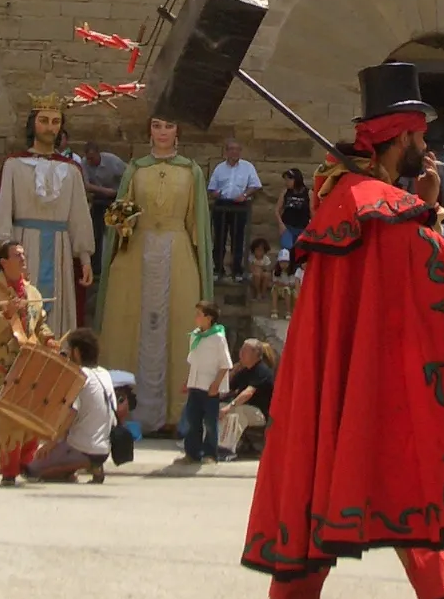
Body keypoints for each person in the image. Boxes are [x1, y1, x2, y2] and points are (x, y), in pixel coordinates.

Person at [243, 63, 444, 599]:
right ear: (400, 137)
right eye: (420, 136)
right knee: (375, 452)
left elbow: (407, 242)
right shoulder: (368, 200)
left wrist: (421, 202)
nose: (427, 145)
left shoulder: (362, 196)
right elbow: (424, 259)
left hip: (367, 357)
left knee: (376, 456)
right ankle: (327, 592)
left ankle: (416, 589)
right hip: (360, 358)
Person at [97, 113, 213, 431]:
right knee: (128, 324)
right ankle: (124, 411)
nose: (162, 132)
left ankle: (179, 415)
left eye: (169, 126)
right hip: (138, 253)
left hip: (177, 251)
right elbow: (123, 211)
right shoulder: (136, 169)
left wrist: (201, 264)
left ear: (178, 131)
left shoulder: (192, 171)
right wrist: (122, 224)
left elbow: (197, 225)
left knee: (179, 325)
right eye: (157, 126)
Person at [0, 94, 95, 338]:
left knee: (56, 313)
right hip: (23, 245)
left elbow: (79, 215)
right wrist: (4, 253)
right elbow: (4, 209)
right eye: (44, 120)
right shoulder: (14, 165)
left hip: (59, 249)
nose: (50, 127)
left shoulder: (71, 170)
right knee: (22, 305)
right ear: (33, 124)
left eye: (56, 122)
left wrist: (85, 257)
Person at [0, 240, 52, 484]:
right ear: (4, 262)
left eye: (23, 254)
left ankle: (27, 463)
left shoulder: (33, 293)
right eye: (17, 255)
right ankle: (9, 471)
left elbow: (40, 324)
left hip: (31, 361)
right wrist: (7, 316)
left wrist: (49, 339)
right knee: (10, 421)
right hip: (6, 365)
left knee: (31, 418)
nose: (23, 259)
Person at [27, 328, 116, 484]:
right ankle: (88, 466)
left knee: (32, 470)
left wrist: (50, 444)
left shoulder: (80, 376)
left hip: (82, 447)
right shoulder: (104, 374)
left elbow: (69, 416)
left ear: (76, 352)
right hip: (104, 448)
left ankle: (76, 466)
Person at [180, 301, 232, 464]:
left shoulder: (218, 338)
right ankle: (192, 452)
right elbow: (193, 360)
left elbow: (225, 364)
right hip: (195, 384)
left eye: (199, 314)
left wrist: (216, 385)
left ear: (209, 318)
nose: (196, 318)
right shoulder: (195, 335)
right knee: (192, 420)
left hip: (209, 387)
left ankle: (210, 454)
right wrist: (187, 380)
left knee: (210, 422)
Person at [206, 139, 263, 282]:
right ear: (226, 152)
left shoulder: (247, 167)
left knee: (238, 239)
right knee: (219, 238)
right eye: (231, 149)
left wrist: (244, 195)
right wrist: (216, 194)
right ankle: (218, 269)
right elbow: (212, 188)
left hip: (239, 205)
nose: (234, 152)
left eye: (237, 149)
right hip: (222, 205)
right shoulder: (220, 168)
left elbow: (256, 185)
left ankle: (237, 270)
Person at [219, 337, 276, 460]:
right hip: (246, 409)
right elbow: (226, 389)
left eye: (245, 350)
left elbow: (248, 393)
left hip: (260, 413)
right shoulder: (244, 371)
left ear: (255, 353)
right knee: (219, 407)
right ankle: (212, 444)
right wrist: (233, 372)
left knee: (237, 411)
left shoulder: (262, 371)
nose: (241, 353)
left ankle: (227, 449)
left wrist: (230, 406)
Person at [81, 142, 128, 238]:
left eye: (92, 158)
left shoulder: (113, 161)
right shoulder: (84, 163)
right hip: (98, 197)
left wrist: (119, 191)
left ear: (98, 154)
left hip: (116, 196)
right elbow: (86, 185)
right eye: (88, 158)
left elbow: (127, 176)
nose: (90, 161)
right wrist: (105, 191)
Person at [276, 167, 312, 253]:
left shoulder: (309, 193)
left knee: (300, 252)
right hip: (287, 227)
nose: (286, 183)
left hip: (303, 228)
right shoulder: (285, 192)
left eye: (288, 180)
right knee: (287, 250)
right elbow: (277, 210)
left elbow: (312, 211)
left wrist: (312, 228)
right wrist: (281, 225)